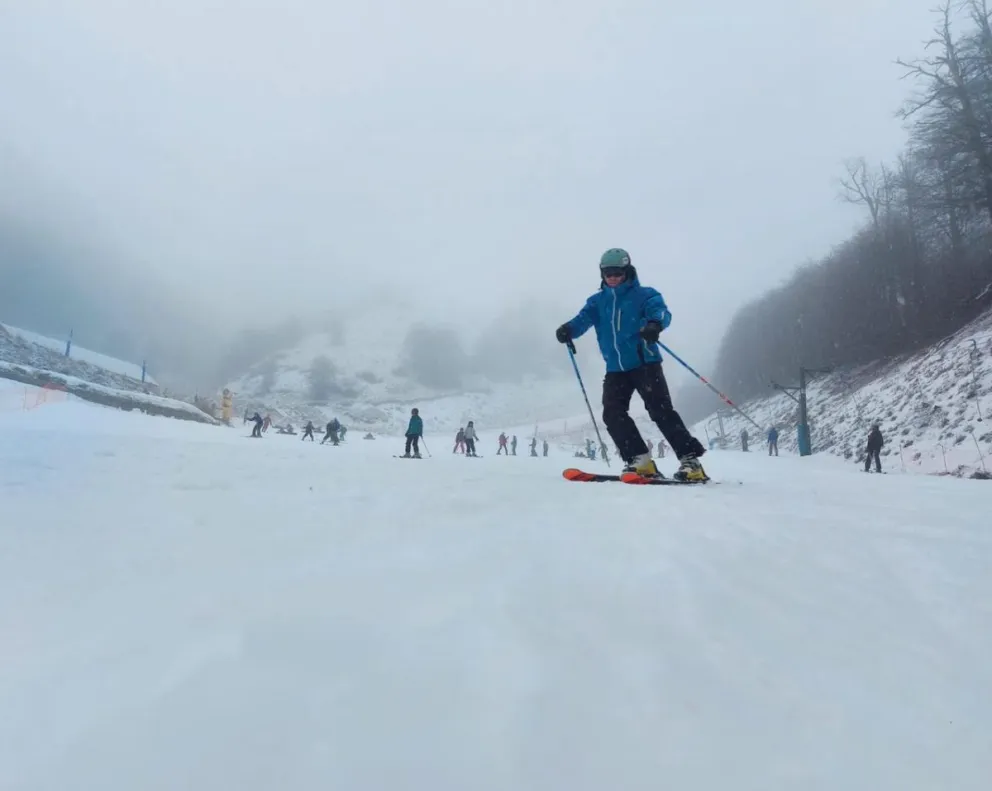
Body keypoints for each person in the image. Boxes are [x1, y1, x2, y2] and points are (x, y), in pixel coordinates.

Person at [556, 247, 707, 481]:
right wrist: (568, 330)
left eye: (618, 272)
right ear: (602, 274)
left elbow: (661, 312)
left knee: (660, 411)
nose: (613, 277)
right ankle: (640, 460)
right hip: (616, 368)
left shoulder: (645, 295)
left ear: (628, 271)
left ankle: (690, 461)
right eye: (608, 273)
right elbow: (582, 320)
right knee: (612, 413)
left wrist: (654, 324)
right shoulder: (597, 302)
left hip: (645, 363)